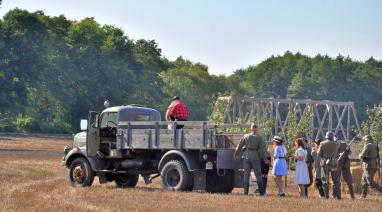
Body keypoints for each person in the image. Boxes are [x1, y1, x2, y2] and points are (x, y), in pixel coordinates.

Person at [234, 124, 268, 196]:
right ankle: (262, 192)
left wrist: (236, 154)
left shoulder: (246, 136)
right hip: (255, 157)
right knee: (258, 175)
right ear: (256, 129)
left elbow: (239, 146)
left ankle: (245, 193)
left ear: (251, 129)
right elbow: (262, 150)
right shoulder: (259, 137)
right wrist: (265, 159)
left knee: (246, 175)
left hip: (246, 156)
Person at [317, 131, 341, 199]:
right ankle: (336, 195)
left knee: (324, 180)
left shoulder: (322, 143)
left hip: (325, 163)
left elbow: (319, 154)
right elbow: (338, 148)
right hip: (334, 163)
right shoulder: (336, 144)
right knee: (336, 180)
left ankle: (325, 195)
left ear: (326, 137)